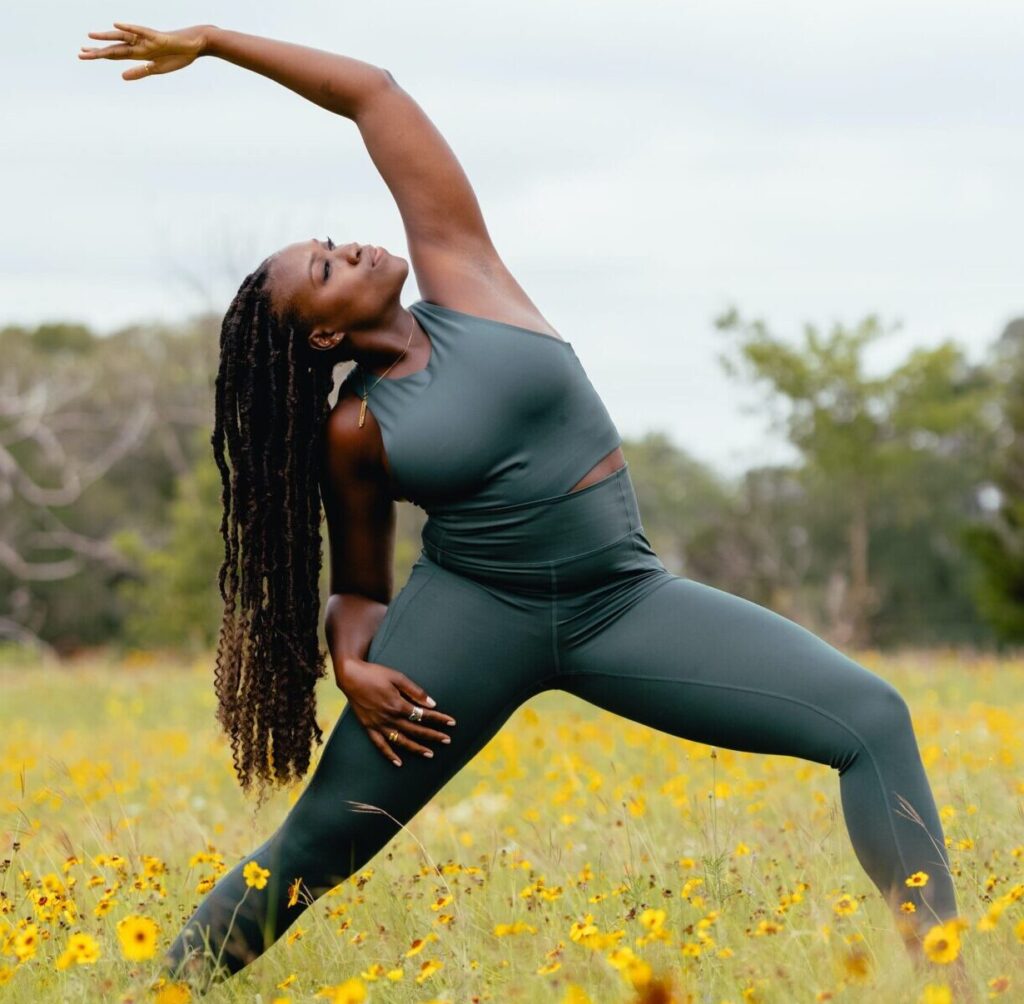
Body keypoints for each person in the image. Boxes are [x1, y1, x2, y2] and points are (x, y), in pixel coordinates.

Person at [79, 21, 973, 998]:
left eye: (332, 241)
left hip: (623, 603)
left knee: (869, 716)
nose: (351, 247)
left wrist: (213, 42)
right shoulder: (356, 428)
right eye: (328, 266)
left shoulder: (468, 275)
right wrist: (350, 661)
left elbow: (373, 94)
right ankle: (152, 990)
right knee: (319, 840)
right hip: (473, 621)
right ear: (325, 330)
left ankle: (949, 983)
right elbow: (362, 583)